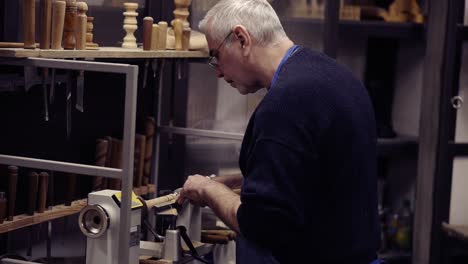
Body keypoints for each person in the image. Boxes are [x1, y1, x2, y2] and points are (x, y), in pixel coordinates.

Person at [177, 0, 381, 263]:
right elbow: (319, 170)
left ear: (241, 38)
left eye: (215, 56)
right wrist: (240, 181)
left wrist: (207, 190)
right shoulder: (335, 76)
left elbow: (263, 225)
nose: (217, 72)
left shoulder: (286, 104)